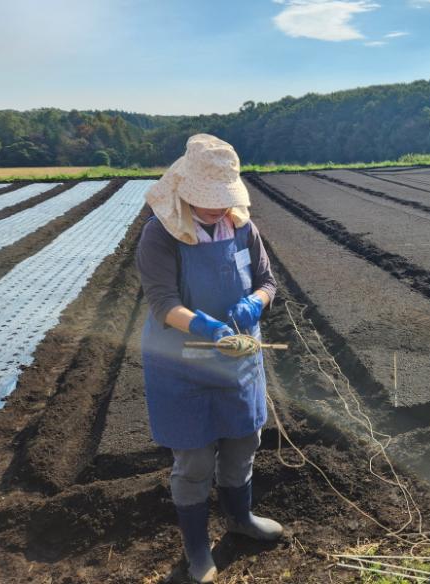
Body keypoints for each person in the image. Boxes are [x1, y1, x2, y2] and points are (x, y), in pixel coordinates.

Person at [136, 134, 282, 583]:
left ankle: (241, 518)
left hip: (238, 363)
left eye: (223, 200)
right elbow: (162, 302)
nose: (218, 209)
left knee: (243, 445)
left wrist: (256, 303)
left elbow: (267, 280)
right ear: (184, 191)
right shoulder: (160, 234)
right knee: (195, 462)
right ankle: (197, 550)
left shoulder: (242, 227)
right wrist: (204, 326)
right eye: (208, 201)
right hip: (182, 365)